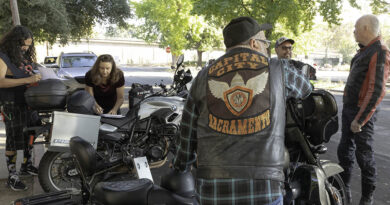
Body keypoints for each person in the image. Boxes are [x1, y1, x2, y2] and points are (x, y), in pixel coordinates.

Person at [173, 16, 312, 205]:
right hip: (265, 189)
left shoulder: (203, 76)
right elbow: (306, 87)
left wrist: (181, 167)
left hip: (213, 192)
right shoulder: (279, 70)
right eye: (265, 43)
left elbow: (187, 135)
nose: (266, 48)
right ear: (254, 43)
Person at [337, 14, 390, 205]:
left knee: (364, 156)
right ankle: (344, 192)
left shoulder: (380, 51)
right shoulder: (364, 51)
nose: (353, 31)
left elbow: (376, 90)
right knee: (345, 152)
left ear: (366, 28)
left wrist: (359, 120)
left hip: (361, 115)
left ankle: (367, 199)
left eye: (356, 27)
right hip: (350, 111)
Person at [0, 26, 42, 191]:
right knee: (13, 138)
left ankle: (27, 165)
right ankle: (12, 175)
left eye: (28, 45)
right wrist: (27, 80)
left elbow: (29, 74)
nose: (26, 48)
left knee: (30, 134)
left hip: (28, 102)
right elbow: (0, 81)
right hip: (11, 103)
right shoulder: (3, 56)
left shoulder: (23, 57)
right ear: (13, 42)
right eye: (23, 45)